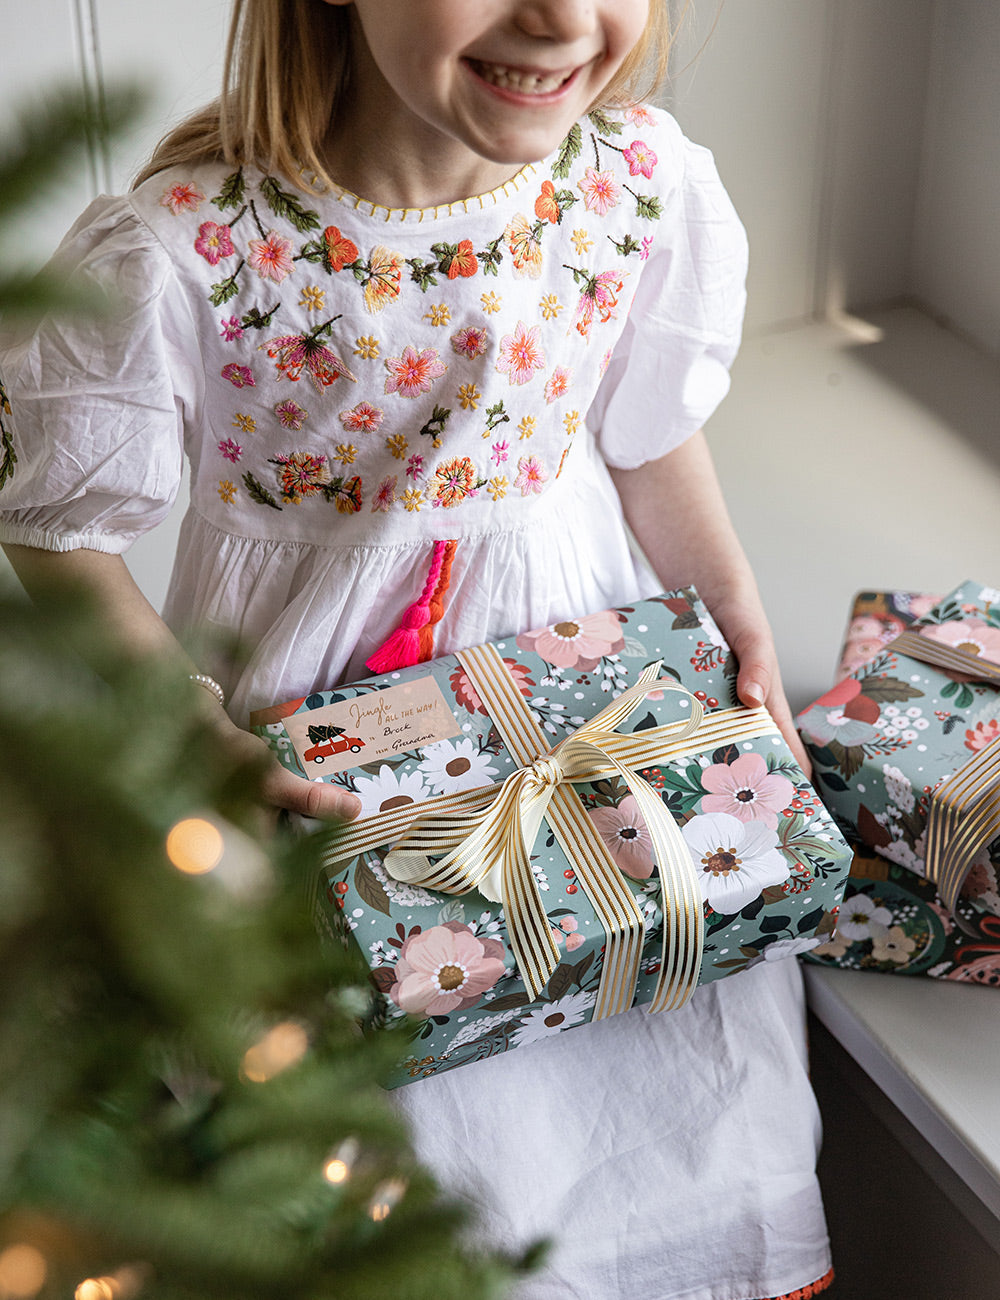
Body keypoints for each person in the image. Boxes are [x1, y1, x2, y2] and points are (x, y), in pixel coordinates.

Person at [0, 2, 834, 1295]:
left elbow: (647, 428)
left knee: (654, 1050)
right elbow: (60, 525)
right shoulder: (189, 249)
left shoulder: (635, 178)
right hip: (332, 750)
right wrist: (184, 726)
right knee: (407, 1146)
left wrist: (732, 614)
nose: (561, 17)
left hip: (596, 721)